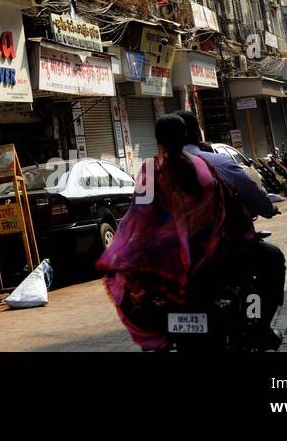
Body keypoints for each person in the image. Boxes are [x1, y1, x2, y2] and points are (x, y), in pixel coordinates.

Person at [96, 114, 254, 351]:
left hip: (166, 265)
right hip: (209, 257)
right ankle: (253, 327)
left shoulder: (151, 170)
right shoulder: (205, 166)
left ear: (158, 140)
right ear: (186, 136)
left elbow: (139, 215)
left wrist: (124, 250)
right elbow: (225, 206)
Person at [179, 110, 284, 345]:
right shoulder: (220, 163)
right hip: (225, 251)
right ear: (198, 134)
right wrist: (269, 208)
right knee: (272, 260)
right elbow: (258, 200)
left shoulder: (153, 174)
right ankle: (259, 326)